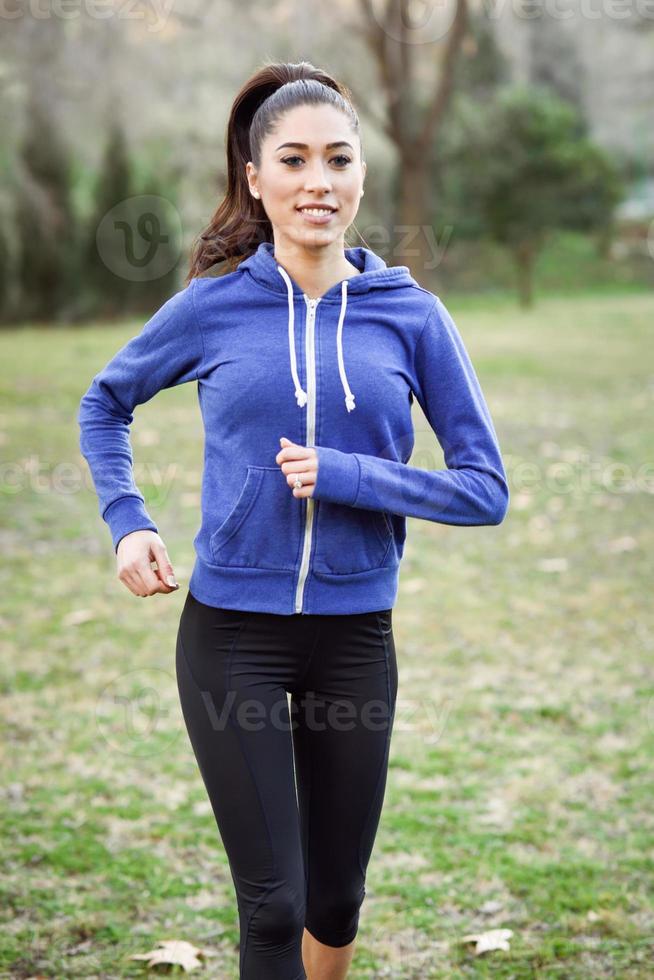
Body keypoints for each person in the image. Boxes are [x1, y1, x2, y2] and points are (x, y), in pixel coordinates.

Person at [78, 60, 509, 980]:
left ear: (362, 178)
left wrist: (354, 475)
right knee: (272, 903)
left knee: (336, 898)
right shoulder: (213, 306)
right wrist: (128, 519)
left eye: (339, 160)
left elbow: (485, 489)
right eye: (295, 159)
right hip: (233, 632)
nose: (319, 181)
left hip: (355, 636)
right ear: (255, 176)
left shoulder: (411, 316)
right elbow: (103, 402)